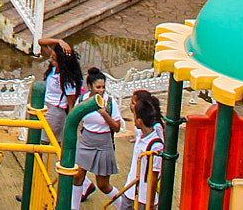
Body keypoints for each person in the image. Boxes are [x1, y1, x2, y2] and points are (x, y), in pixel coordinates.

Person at [72, 69, 122, 207]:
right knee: (77, 177)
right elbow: (74, 118)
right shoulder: (82, 100)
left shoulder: (110, 102)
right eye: (98, 87)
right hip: (86, 140)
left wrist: (104, 114)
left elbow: (116, 127)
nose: (101, 90)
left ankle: (124, 206)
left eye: (103, 87)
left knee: (103, 185)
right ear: (90, 87)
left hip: (104, 142)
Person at [120, 90, 164, 209]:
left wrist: (149, 204)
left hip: (143, 198)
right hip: (130, 191)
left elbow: (154, 177)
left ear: (140, 121)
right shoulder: (140, 134)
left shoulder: (155, 146)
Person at [38, 38, 83, 146]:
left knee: (45, 142)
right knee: (40, 139)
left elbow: (71, 105)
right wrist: (58, 41)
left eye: (54, 59)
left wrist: (70, 125)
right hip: (44, 107)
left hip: (55, 112)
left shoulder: (68, 80)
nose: (50, 61)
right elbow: (41, 42)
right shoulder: (54, 68)